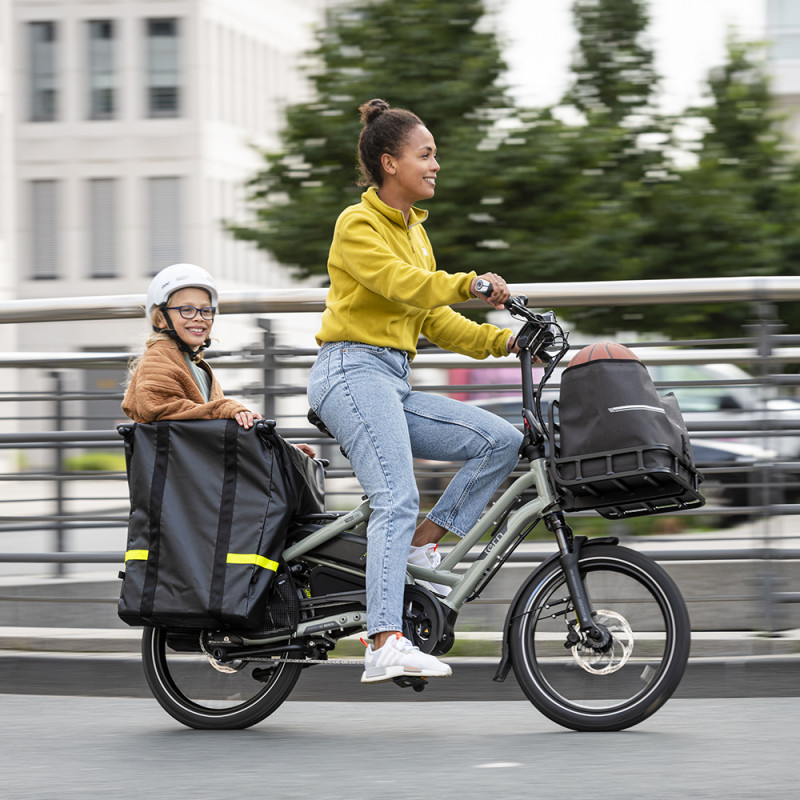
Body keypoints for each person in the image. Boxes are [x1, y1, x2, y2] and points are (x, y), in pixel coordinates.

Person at [307, 99, 524, 685]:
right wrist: (469, 282)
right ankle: (382, 640)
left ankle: (420, 546)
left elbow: (433, 318)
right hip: (350, 374)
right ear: (389, 162)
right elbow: (403, 284)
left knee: (500, 440)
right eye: (425, 154)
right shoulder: (358, 225)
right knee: (396, 497)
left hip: (392, 379)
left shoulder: (418, 237)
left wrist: (503, 343)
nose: (435, 164)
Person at [122, 262, 315, 457]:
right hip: (179, 475)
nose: (199, 317)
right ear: (161, 318)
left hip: (197, 470)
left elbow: (215, 430)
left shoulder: (197, 365)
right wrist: (224, 408)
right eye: (187, 310)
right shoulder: (158, 357)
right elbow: (159, 407)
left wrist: (281, 451)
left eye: (206, 311)